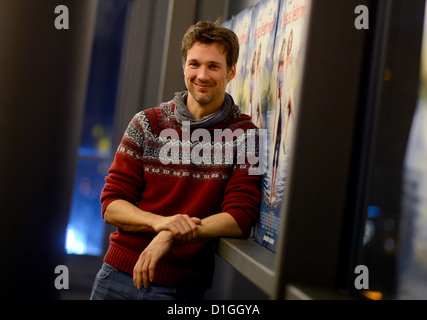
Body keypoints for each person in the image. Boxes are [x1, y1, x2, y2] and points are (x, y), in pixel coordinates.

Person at [90, 20, 262, 300]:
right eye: (194, 64)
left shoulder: (247, 136)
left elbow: (239, 218)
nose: (202, 75)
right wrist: (161, 223)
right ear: (184, 67)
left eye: (213, 66)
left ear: (231, 71)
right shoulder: (147, 122)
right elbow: (112, 204)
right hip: (115, 276)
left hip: (179, 288)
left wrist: (171, 234)